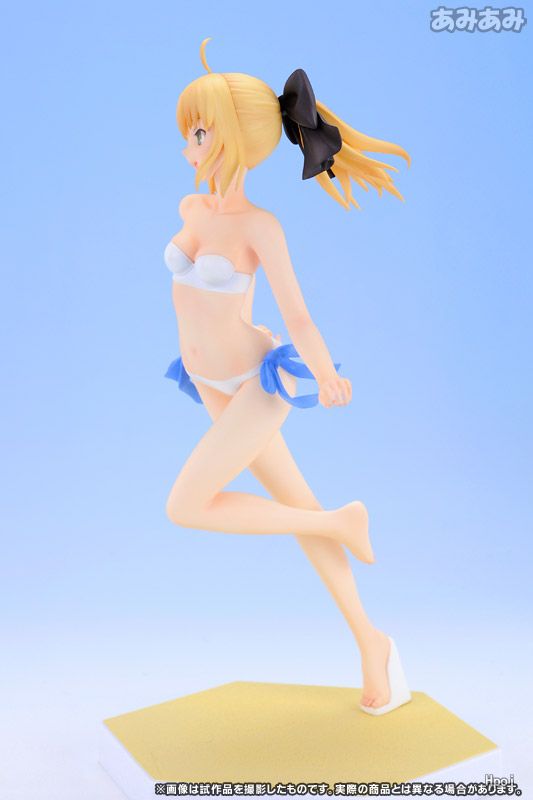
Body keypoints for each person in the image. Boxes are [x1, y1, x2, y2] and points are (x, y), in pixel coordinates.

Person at [164, 38, 412, 714]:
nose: (188, 145)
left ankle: (336, 521)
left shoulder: (260, 227)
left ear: (234, 139)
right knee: (301, 514)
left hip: (257, 386)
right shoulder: (192, 210)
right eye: (190, 131)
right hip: (207, 382)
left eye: (200, 132)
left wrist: (327, 375)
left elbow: (297, 314)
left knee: (185, 506)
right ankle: (371, 641)